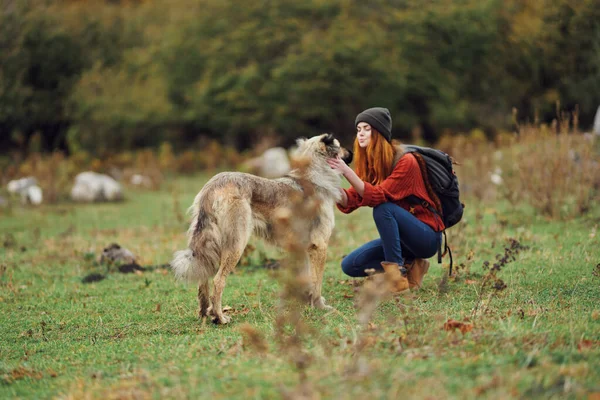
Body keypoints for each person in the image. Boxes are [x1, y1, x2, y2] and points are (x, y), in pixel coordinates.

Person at [326, 107, 444, 293]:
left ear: (379, 131)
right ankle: (412, 265)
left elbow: (378, 196)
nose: (361, 134)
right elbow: (351, 200)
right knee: (350, 265)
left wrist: (346, 171)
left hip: (426, 237)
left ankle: (396, 279)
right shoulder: (372, 164)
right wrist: (325, 183)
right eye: (358, 129)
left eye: (366, 128)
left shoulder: (407, 162)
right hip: (403, 241)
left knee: (383, 208)